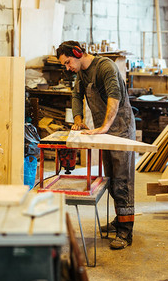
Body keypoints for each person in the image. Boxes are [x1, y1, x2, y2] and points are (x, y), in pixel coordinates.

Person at [56, 40, 136, 250]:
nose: (67, 67)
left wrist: (104, 127)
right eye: (64, 65)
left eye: (68, 62)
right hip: (106, 129)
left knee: (122, 179)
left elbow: (114, 97)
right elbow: (76, 95)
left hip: (120, 127)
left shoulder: (105, 67)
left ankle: (125, 232)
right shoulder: (81, 73)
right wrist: (78, 119)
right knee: (110, 177)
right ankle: (120, 221)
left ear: (77, 53)